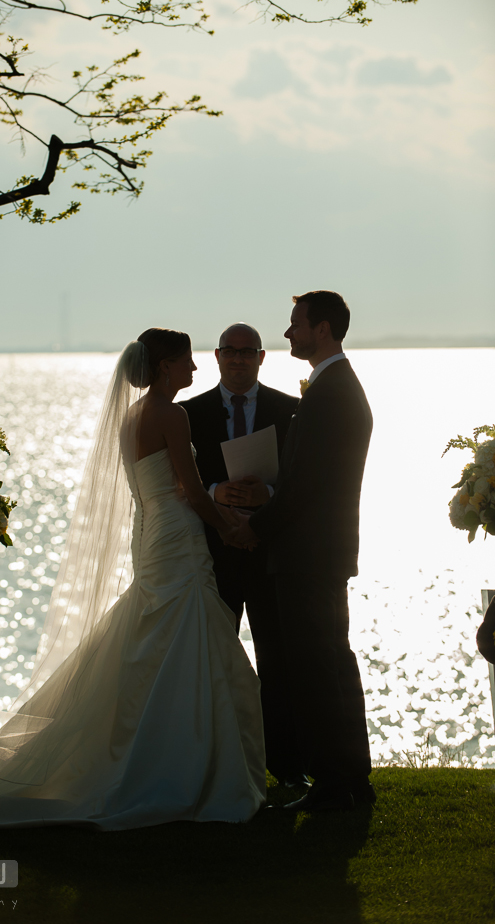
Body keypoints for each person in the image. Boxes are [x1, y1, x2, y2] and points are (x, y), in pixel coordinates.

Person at [0, 329, 266, 830]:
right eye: (187, 362)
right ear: (165, 365)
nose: (194, 371)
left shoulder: (131, 416)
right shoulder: (172, 414)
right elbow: (190, 491)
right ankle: (185, 768)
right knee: (185, 634)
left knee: (156, 637)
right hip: (176, 533)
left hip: (150, 531)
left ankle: (160, 755)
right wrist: (232, 530)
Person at [233, 291, 375, 812]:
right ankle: (349, 778)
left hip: (309, 556)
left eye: (296, 324)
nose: (289, 333)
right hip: (320, 552)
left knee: (319, 668)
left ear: (323, 329)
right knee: (330, 663)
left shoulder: (331, 392)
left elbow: (308, 486)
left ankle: (337, 783)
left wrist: (258, 527)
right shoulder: (333, 386)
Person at [180, 322, 305, 786]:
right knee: (213, 661)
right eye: (229, 351)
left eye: (246, 352)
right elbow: (180, 479)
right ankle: (214, 764)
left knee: (279, 664)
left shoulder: (291, 410)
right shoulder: (188, 413)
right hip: (215, 554)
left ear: (260, 357)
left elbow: (302, 482)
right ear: (216, 356)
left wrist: (266, 497)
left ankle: (288, 768)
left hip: (271, 554)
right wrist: (218, 492)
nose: (237, 359)